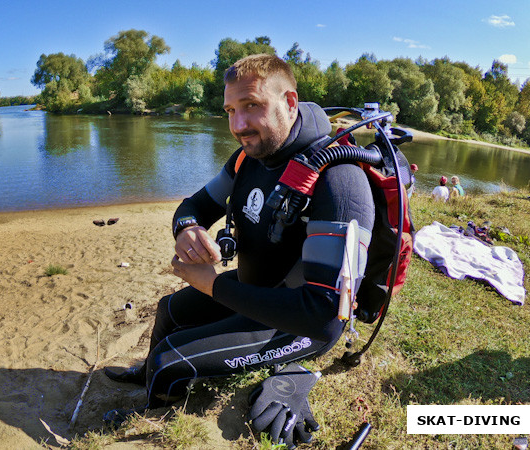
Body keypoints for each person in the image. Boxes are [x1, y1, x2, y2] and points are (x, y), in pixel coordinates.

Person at [103, 54, 375, 429]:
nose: (238, 124)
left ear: (290, 102)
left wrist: (212, 285)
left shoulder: (340, 180)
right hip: (254, 288)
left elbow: (325, 316)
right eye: (230, 110)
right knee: (168, 312)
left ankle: (153, 414)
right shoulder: (248, 158)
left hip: (298, 323)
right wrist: (187, 229)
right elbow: (193, 206)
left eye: (252, 106)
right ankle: (146, 374)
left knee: (170, 361)